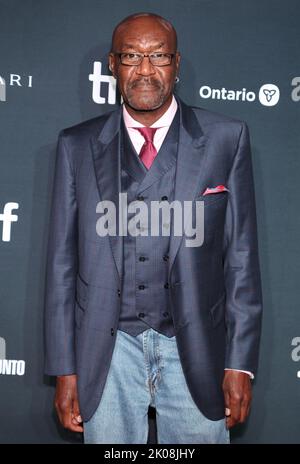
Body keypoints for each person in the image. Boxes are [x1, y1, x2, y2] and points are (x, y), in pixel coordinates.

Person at [44, 12, 263, 444]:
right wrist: (64, 369)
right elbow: (61, 266)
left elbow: (240, 257)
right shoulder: (76, 145)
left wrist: (239, 363)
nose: (146, 69)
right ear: (112, 64)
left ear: (177, 63)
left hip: (195, 346)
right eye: (131, 56)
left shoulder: (226, 138)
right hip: (107, 351)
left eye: (158, 56)